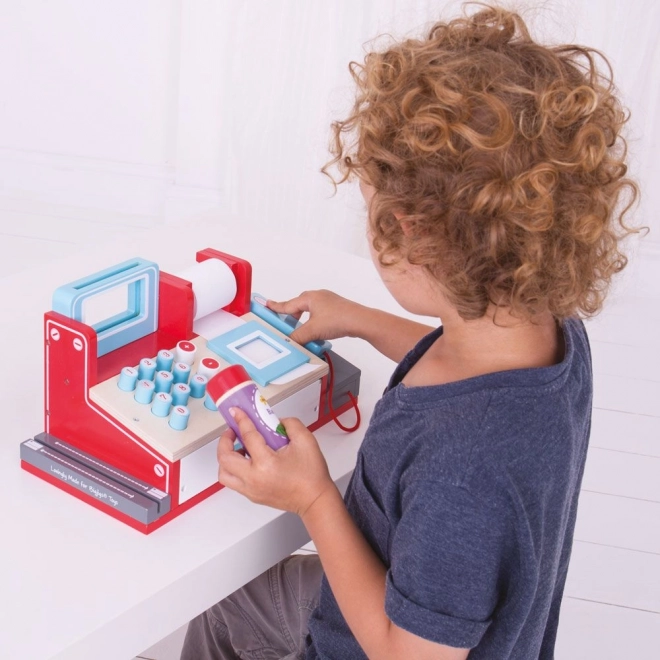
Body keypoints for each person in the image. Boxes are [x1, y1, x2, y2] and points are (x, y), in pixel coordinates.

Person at [181, 4, 639, 659]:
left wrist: (312, 497)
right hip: (400, 594)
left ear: (414, 239)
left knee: (227, 617)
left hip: (380, 641)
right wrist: (362, 320)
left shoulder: (466, 473)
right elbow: (459, 366)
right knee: (229, 606)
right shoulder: (548, 328)